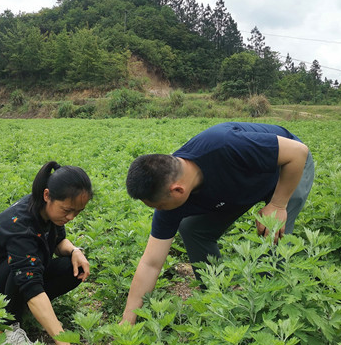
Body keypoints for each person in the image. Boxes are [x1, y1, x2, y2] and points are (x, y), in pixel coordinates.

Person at [121, 122, 314, 324]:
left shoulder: (224, 146)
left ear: (178, 190)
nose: (159, 212)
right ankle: (218, 296)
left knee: (273, 234)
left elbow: (298, 153)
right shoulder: (171, 192)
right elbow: (150, 263)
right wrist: (128, 319)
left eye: (159, 206)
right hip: (239, 185)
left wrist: (278, 203)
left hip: (287, 170)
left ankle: (271, 311)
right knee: (192, 228)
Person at [0, 161, 92, 345]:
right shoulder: (20, 226)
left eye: (77, 212)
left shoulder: (48, 210)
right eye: (67, 210)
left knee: (73, 268)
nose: (71, 217)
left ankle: (30, 309)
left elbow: (58, 241)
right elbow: (29, 282)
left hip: (18, 276)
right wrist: (62, 341)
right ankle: (5, 327)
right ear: (47, 196)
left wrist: (75, 251)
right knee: (21, 263)